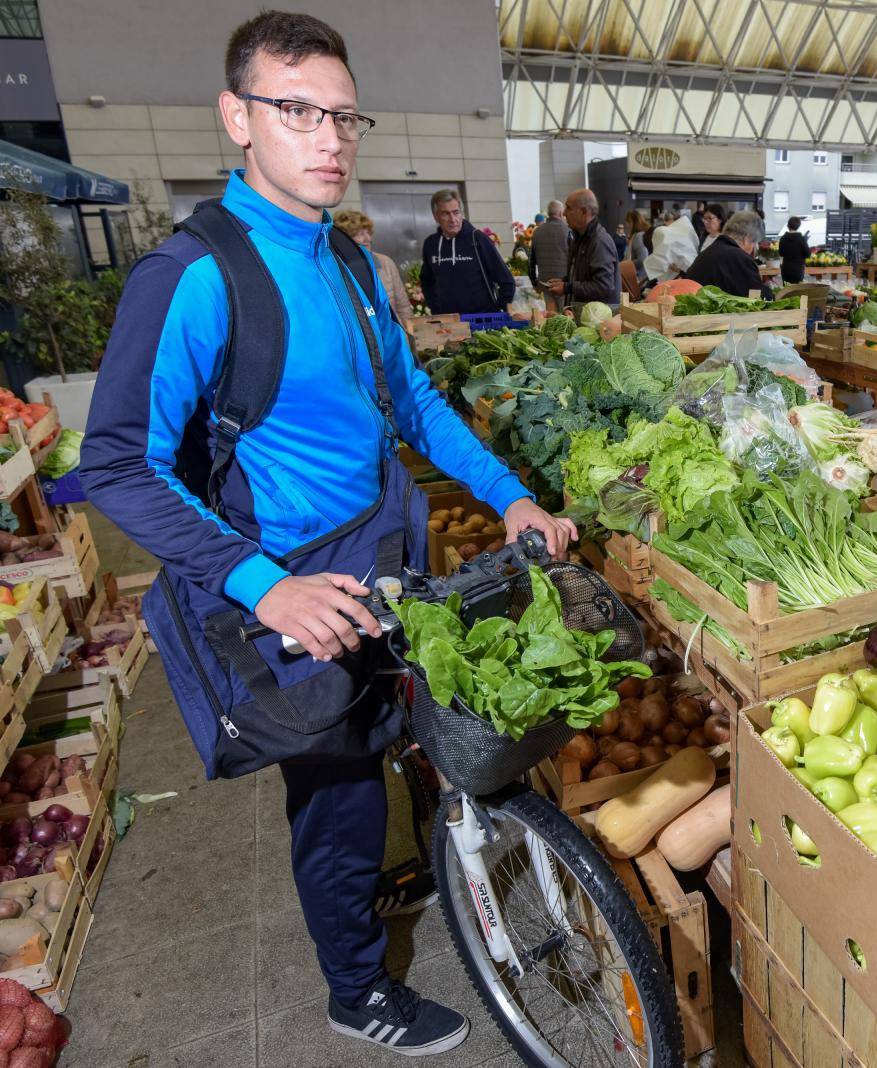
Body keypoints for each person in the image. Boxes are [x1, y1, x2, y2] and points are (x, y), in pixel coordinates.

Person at [79, 12, 578, 1058]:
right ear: (236, 118)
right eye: (297, 109)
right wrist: (263, 587)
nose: (330, 136)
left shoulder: (349, 263)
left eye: (343, 114)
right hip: (292, 575)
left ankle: (413, 871)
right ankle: (358, 990)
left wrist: (510, 495)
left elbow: (416, 402)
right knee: (339, 784)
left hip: (382, 545)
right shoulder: (194, 277)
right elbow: (119, 466)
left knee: (409, 732)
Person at [419, 189, 514, 315]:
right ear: (436, 216)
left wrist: (498, 311)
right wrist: (436, 309)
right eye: (445, 214)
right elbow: (427, 281)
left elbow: (507, 280)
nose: (453, 219)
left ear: (462, 214)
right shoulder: (431, 244)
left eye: (456, 212)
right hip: (449, 324)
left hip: (483, 322)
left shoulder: (478, 239)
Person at [332, 209, 411, 331]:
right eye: (359, 233)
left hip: (393, 335)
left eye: (368, 232)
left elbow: (403, 305)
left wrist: (408, 335)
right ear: (345, 240)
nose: (367, 238)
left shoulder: (386, 262)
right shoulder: (337, 269)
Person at [550, 188, 619, 307]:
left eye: (569, 208)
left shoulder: (599, 241)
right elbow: (585, 275)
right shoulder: (579, 237)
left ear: (583, 212)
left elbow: (603, 286)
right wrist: (565, 281)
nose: (564, 213)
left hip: (599, 320)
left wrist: (568, 287)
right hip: (584, 313)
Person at [685, 209, 772, 299]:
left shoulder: (709, 251)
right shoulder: (739, 258)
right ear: (747, 238)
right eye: (754, 243)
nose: (753, 249)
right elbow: (756, 297)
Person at [528, 197, 569, 292]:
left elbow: (531, 261)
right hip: (563, 285)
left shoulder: (537, 232)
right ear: (560, 213)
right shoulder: (568, 231)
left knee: (549, 307)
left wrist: (534, 282)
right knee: (564, 307)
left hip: (543, 283)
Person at [778, 216, 809, 285]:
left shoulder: (783, 238)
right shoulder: (801, 239)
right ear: (798, 226)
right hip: (798, 269)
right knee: (797, 291)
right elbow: (808, 254)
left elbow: (781, 253)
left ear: (788, 225)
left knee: (786, 291)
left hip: (786, 268)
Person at [625, 208, 652, 279]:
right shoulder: (641, 235)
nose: (627, 226)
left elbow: (642, 258)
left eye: (628, 222)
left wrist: (625, 265)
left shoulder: (638, 237)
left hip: (640, 278)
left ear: (634, 223)